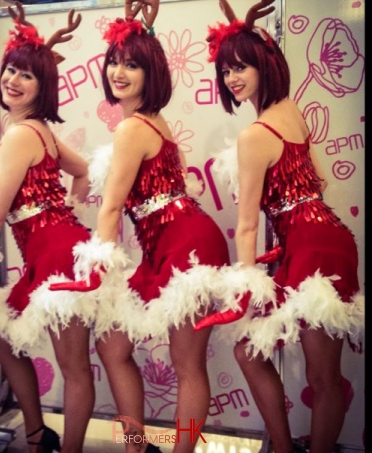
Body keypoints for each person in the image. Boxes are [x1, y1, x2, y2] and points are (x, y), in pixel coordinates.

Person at [49, 1, 235, 452]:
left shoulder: (134, 127)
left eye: (132, 64)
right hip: (163, 246)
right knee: (113, 349)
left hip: (187, 244)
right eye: (114, 60)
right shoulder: (144, 123)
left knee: (186, 363)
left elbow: (111, 209)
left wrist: (97, 270)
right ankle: (136, 445)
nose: (119, 71)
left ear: (152, 72)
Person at [195, 1, 365, 453]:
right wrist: (286, 245)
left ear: (264, 63)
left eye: (241, 67)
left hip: (314, 246)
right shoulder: (290, 109)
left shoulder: (255, 134)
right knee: (286, 361)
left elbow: (247, 224)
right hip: (321, 239)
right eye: (225, 70)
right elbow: (313, 184)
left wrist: (245, 291)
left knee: (315, 372)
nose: (232, 78)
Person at [0, 5, 97, 453]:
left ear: (43, 87)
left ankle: (65, 447)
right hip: (45, 254)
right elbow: (83, 170)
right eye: (10, 70)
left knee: (74, 366)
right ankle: (37, 433)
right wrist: (61, 209)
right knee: (0, 336)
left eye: (26, 75)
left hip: (58, 255)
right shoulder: (34, 130)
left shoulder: (22, 134)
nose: (12, 80)